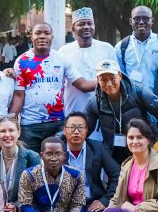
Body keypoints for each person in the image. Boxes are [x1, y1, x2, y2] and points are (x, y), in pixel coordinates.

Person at [10, 22, 96, 151]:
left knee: (56, 161)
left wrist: (107, 81)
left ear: (52, 37)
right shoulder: (21, 61)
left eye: (46, 33)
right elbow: (18, 96)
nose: (42, 36)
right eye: (38, 33)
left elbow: (82, 84)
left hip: (57, 123)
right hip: (30, 126)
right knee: (31, 162)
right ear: (31, 37)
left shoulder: (61, 59)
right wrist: (10, 120)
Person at [86, 59, 158, 163]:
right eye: (103, 80)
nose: (109, 84)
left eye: (112, 78)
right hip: (114, 153)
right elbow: (84, 127)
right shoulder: (94, 101)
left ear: (120, 76)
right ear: (98, 80)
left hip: (143, 148)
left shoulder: (138, 90)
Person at [62, 111, 120, 212]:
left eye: (80, 128)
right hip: (63, 203)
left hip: (90, 201)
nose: (76, 132)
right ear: (64, 130)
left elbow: (117, 174)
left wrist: (105, 200)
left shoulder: (97, 147)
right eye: (72, 128)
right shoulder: (58, 149)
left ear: (86, 130)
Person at [58, 7, 118, 116]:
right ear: (73, 28)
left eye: (90, 23)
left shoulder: (107, 48)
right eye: (81, 24)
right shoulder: (64, 52)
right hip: (74, 110)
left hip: (104, 110)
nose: (86, 27)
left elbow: (116, 79)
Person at [115, 5, 158, 91]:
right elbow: (119, 76)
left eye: (145, 18)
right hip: (132, 97)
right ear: (130, 21)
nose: (141, 22)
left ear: (152, 21)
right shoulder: (121, 46)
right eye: (137, 18)